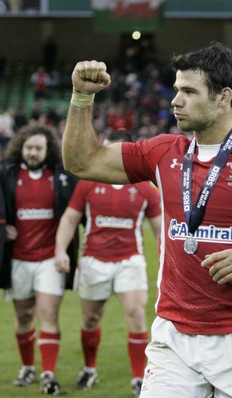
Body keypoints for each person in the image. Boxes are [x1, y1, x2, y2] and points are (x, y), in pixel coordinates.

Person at [62, 42, 232, 397]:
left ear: (223, 97)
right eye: (176, 90)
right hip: (174, 338)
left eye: (188, 91)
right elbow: (82, 162)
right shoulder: (162, 151)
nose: (176, 100)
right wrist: (81, 97)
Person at [55, 128, 162, 396]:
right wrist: (60, 250)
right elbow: (69, 219)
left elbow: (161, 228)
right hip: (93, 260)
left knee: (137, 317)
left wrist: (166, 258)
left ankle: (139, 378)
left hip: (130, 260)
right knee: (90, 319)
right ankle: (89, 369)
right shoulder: (89, 182)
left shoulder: (144, 188)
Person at [0, 125, 80, 395]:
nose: (33, 153)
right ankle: (27, 367)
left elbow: (75, 212)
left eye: (38, 148)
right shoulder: (8, 175)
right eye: (29, 147)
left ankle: (48, 374)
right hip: (18, 260)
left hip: (49, 259)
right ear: (21, 147)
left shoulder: (60, 177)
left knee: (48, 315)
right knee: (23, 316)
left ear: (48, 151)